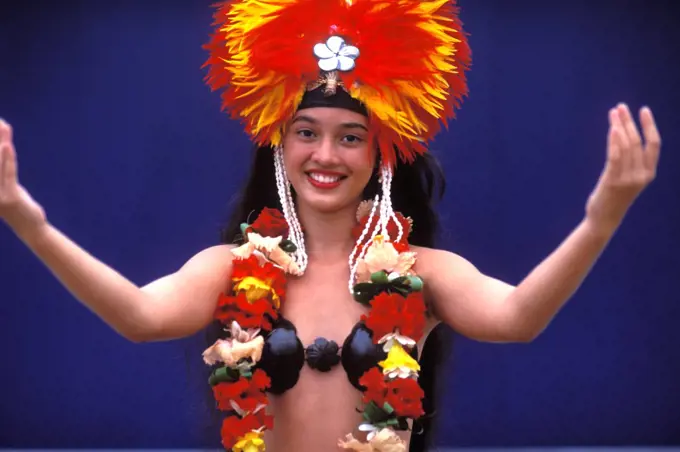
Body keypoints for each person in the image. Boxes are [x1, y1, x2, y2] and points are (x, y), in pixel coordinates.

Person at [0, 1, 662, 451]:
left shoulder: (422, 275)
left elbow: (518, 317)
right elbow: (140, 315)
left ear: (380, 153)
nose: (326, 155)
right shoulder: (231, 270)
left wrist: (599, 221)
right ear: (279, 145)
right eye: (306, 133)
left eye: (351, 137)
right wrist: (30, 223)